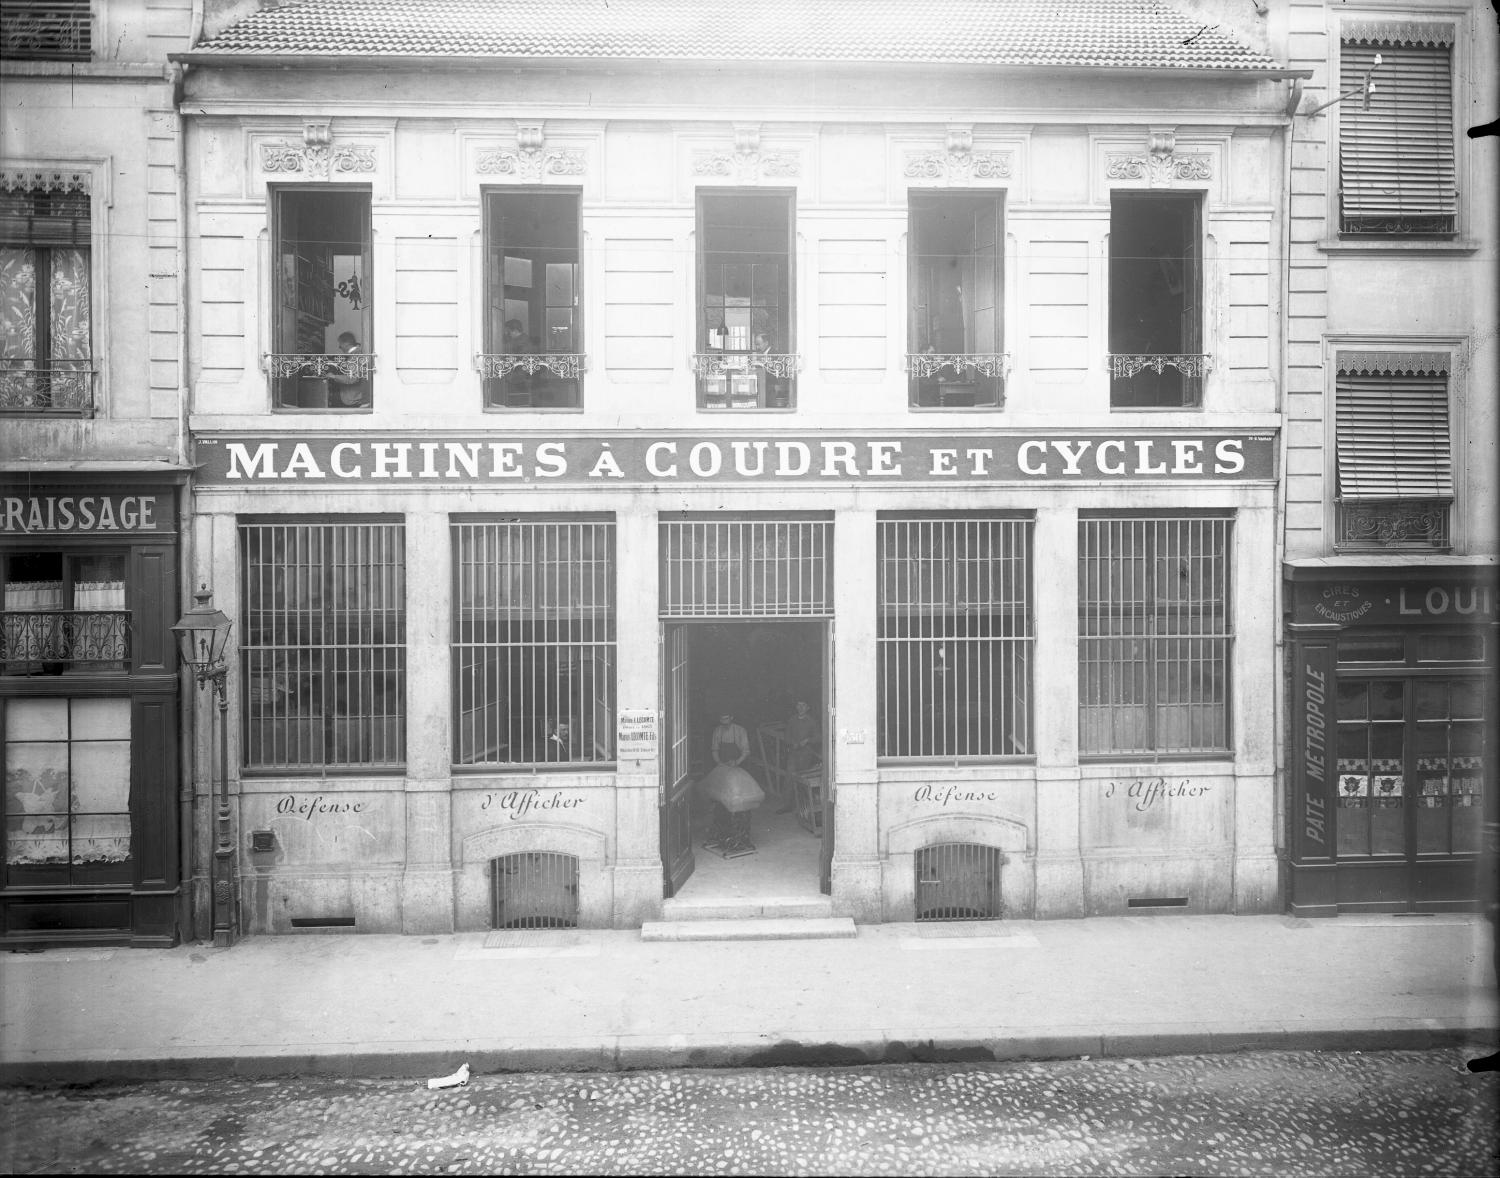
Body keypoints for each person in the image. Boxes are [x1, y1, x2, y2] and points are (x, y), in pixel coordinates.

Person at [329, 331, 367, 407]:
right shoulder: (358, 353)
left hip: (351, 398)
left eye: (340, 345)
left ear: (346, 344)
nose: (339, 347)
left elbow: (352, 378)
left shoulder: (354, 356)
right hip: (356, 395)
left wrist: (333, 376)